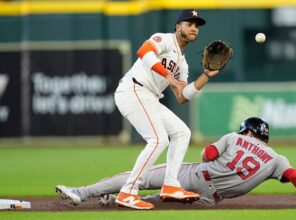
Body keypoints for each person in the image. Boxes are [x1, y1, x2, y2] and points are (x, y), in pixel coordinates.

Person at [60, 9, 220, 210]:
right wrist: (170, 78)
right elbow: (143, 52)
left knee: (182, 132)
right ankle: (128, 192)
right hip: (133, 90)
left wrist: (205, 76)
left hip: (149, 97)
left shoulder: (183, 63)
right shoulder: (163, 39)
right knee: (158, 139)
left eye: (197, 26)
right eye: (189, 24)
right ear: (178, 26)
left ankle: (170, 184)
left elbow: (181, 96)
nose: (194, 28)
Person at [56, 117, 296, 208]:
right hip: (210, 198)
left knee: (139, 175)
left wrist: (215, 152)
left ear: (248, 131)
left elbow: (207, 154)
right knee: (157, 203)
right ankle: (116, 197)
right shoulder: (276, 159)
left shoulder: (234, 136)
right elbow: (294, 176)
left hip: (196, 175)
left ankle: (83, 192)